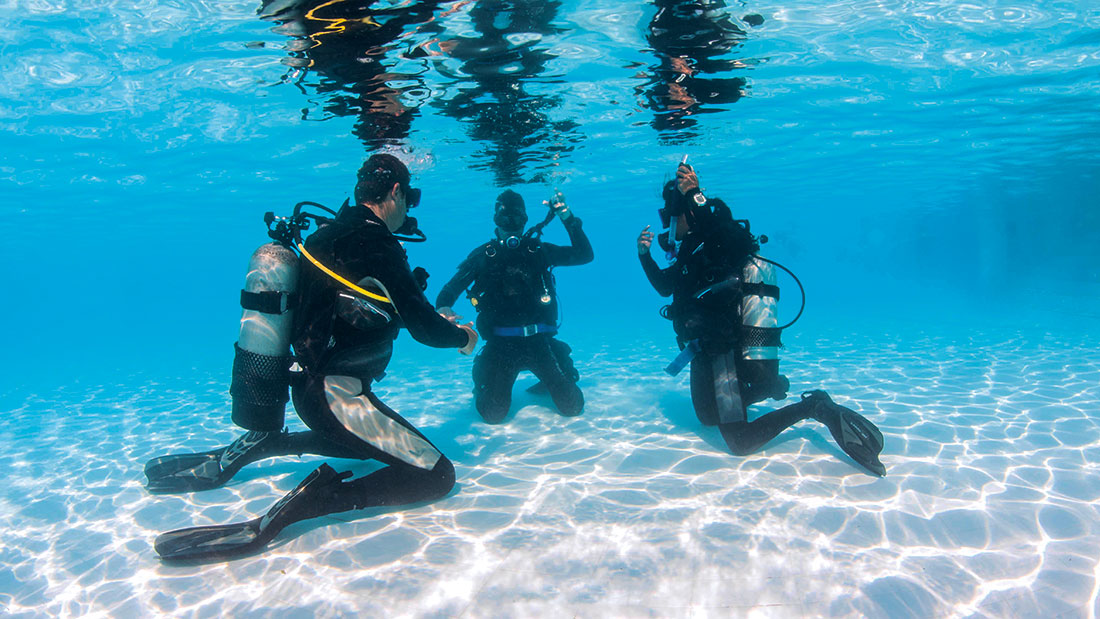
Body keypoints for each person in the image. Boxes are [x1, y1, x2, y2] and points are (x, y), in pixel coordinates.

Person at [144, 154, 478, 561]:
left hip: (305, 391)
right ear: (395, 192)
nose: (408, 211)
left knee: (369, 449)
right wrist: (462, 336)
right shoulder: (376, 243)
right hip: (339, 400)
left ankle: (266, 443)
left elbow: (354, 313)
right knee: (437, 475)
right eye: (410, 199)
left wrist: (426, 318)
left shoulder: (325, 236)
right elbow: (426, 330)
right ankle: (311, 502)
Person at [637, 162, 886, 476]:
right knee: (706, 417)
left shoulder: (716, 238)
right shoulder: (692, 250)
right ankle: (770, 386)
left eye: (667, 216)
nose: (665, 224)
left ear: (685, 213)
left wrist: (695, 196)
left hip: (723, 350)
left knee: (740, 442)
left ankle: (814, 406)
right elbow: (665, 287)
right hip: (702, 349)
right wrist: (644, 256)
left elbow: (733, 239)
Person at [435, 189, 592, 423]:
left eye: (516, 218)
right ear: (495, 220)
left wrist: (567, 217)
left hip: (539, 342)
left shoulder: (539, 251)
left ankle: (558, 357)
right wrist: (443, 308)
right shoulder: (483, 256)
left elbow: (584, 254)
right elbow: (449, 290)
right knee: (492, 414)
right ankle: (484, 371)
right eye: (504, 218)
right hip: (501, 346)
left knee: (573, 406)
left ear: (525, 220)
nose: (510, 225)